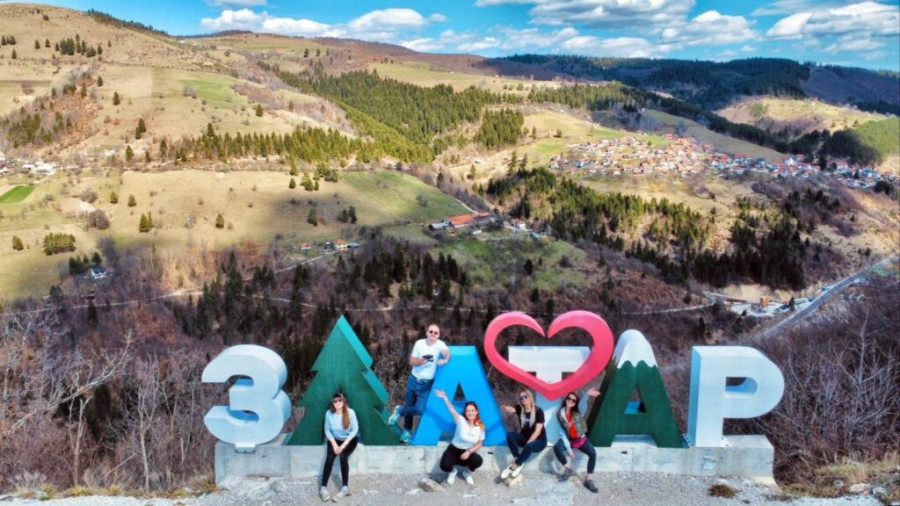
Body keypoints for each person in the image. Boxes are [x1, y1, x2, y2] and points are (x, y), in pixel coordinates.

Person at [388, 324, 450, 443]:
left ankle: (400, 410)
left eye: (435, 333)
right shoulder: (419, 343)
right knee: (410, 404)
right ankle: (407, 431)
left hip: (426, 384)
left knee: (420, 409)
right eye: (431, 331)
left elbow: (447, 352)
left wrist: (445, 359)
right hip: (414, 379)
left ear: (438, 335)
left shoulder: (440, 344)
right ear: (427, 333)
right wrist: (421, 361)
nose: (433, 334)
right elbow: (411, 361)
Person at [553, 388, 601, 493]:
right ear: (566, 399)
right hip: (569, 440)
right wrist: (569, 449)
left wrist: (586, 395)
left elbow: (583, 405)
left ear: (576, 403)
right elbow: (562, 433)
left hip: (581, 439)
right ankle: (567, 469)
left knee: (593, 453)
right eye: (569, 398)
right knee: (556, 447)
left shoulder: (579, 411)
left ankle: (589, 480)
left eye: (573, 400)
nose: (570, 401)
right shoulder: (560, 415)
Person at [434, 388, 485, 486]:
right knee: (444, 465)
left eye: (472, 410)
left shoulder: (481, 426)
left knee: (478, 460)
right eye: (468, 411)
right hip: (453, 449)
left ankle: (467, 473)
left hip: (467, 452)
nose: (470, 413)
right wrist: (445, 398)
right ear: (465, 413)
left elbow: (480, 443)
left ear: (477, 411)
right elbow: (452, 409)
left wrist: (469, 451)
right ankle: (453, 472)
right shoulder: (460, 420)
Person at [499, 388, 547, 480]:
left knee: (529, 446)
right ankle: (519, 460)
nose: (524, 399)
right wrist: (506, 408)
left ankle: (515, 465)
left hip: (539, 441)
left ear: (530, 397)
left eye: (525, 397)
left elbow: (537, 431)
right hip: (525, 437)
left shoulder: (538, 411)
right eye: (521, 398)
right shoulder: (520, 409)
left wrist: (528, 443)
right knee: (510, 435)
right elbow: (512, 409)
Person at [319, 393, 359, 502]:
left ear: (344, 401)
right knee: (329, 458)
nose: (337, 403)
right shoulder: (329, 414)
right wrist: (335, 445)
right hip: (334, 440)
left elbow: (355, 430)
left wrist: (343, 445)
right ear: (332, 403)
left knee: (343, 456)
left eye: (340, 400)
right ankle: (323, 488)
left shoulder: (351, 413)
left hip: (349, 440)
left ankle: (345, 487)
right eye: (335, 401)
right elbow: (327, 430)